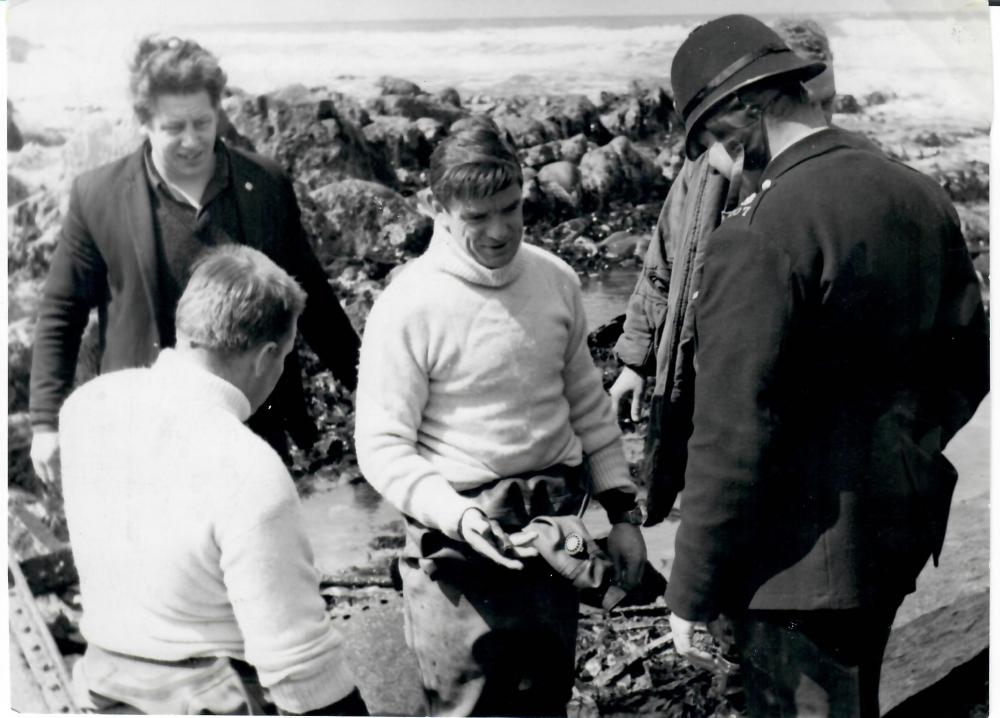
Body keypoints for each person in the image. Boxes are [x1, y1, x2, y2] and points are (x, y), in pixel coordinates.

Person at [662, 15, 989, 716]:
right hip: (893, 536)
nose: (715, 166)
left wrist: (688, 592)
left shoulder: (757, 234)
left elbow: (729, 439)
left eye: (710, 143)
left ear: (743, 114)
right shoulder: (918, 192)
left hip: (791, 570)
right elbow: (969, 365)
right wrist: (900, 450)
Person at [354, 115, 647, 716]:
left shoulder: (555, 280)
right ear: (439, 210)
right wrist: (458, 515)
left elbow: (588, 407)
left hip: (555, 537)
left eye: (511, 208)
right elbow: (381, 446)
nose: (499, 231)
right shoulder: (407, 306)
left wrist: (622, 515)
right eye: (477, 217)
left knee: (546, 703)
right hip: (456, 550)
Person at [29, 35, 359, 485]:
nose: (191, 140)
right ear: (144, 121)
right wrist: (45, 422)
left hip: (252, 421)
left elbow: (311, 296)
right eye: (174, 127)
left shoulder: (264, 182)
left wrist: (365, 385)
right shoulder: (98, 195)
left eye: (203, 123)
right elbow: (62, 311)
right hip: (144, 424)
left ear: (218, 110)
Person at [60, 245, 369, 716]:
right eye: (285, 356)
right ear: (267, 356)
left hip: (105, 689)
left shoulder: (86, 407)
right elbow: (300, 669)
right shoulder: (248, 468)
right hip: (208, 697)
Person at [608, 17, 874, 524]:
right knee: (708, 512)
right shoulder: (704, 170)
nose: (818, 118)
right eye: (810, 101)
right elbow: (662, 265)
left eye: (829, 103)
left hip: (800, 419)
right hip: (704, 385)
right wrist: (634, 362)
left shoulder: (855, 173)